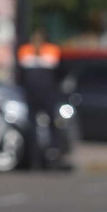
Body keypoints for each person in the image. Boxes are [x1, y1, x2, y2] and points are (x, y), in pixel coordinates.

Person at [16, 28, 61, 169]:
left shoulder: (52, 50)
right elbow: (20, 74)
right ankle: (34, 159)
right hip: (32, 95)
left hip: (47, 95)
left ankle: (52, 156)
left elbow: (59, 72)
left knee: (52, 125)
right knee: (32, 127)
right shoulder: (25, 51)